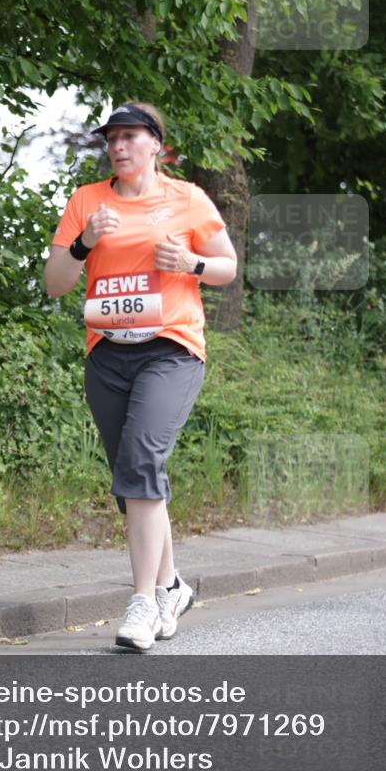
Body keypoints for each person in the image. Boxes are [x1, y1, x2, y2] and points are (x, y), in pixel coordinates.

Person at [44, 101, 238, 651]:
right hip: (108, 352)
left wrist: (191, 265)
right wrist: (84, 242)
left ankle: (142, 602)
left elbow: (227, 266)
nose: (118, 146)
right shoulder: (87, 200)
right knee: (133, 478)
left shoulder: (187, 198)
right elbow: (55, 284)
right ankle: (172, 585)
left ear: (157, 144)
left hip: (171, 349)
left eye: (130, 136)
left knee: (141, 461)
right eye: (112, 139)